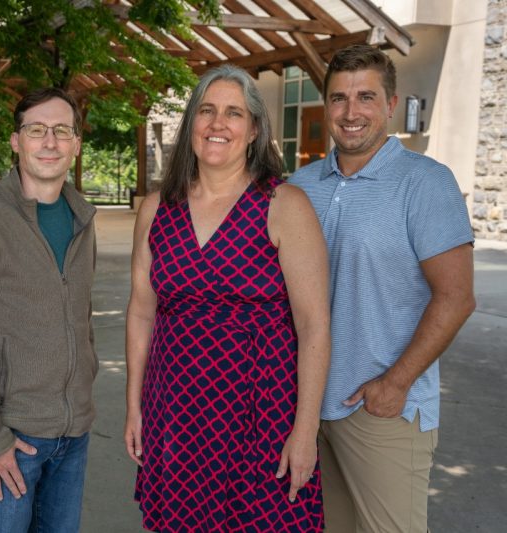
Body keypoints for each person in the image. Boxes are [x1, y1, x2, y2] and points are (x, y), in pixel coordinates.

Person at [124, 65, 330, 532]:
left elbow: (314, 326)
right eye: (207, 111)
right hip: (174, 411)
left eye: (233, 113)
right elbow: (140, 312)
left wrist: (305, 431)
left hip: (260, 413)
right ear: (192, 123)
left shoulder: (284, 206)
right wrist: (134, 406)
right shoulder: (157, 209)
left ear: (254, 129)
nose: (218, 124)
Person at [289, 44, 476, 533]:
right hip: (302, 406)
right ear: (325, 105)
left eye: (366, 97)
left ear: (391, 104)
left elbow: (456, 296)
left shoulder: (425, 183)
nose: (352, 113)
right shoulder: (299, 186)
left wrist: (395, 384)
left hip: (379, 410)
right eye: (339, 99)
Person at [0, 87, 97, 533]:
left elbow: (81, 319)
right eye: (37, 129)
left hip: (73, 434)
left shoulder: (82, 216)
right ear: (15, 141)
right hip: (11, 437)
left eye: (62, 130)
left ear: (76, 145)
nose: (50, 141)